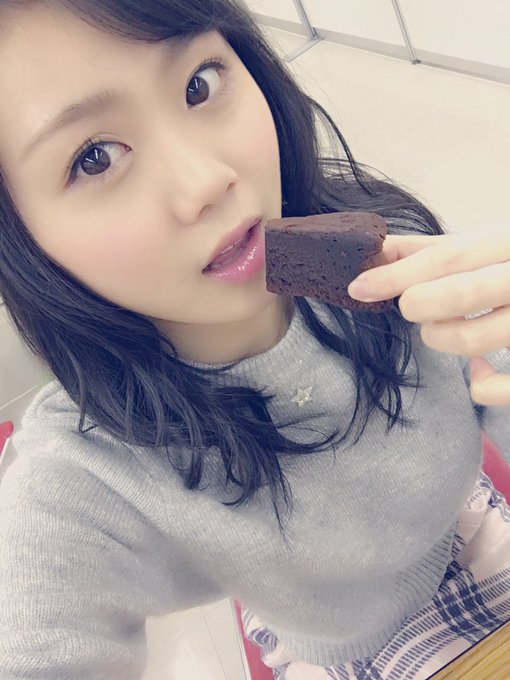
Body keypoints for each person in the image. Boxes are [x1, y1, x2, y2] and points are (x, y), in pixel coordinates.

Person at [0, 1, 509, 678]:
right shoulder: (86, 469)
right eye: (95, 159)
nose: (206, 181)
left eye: (198, 84)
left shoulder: (386, 254)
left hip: (473, 534)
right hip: (336, 650)